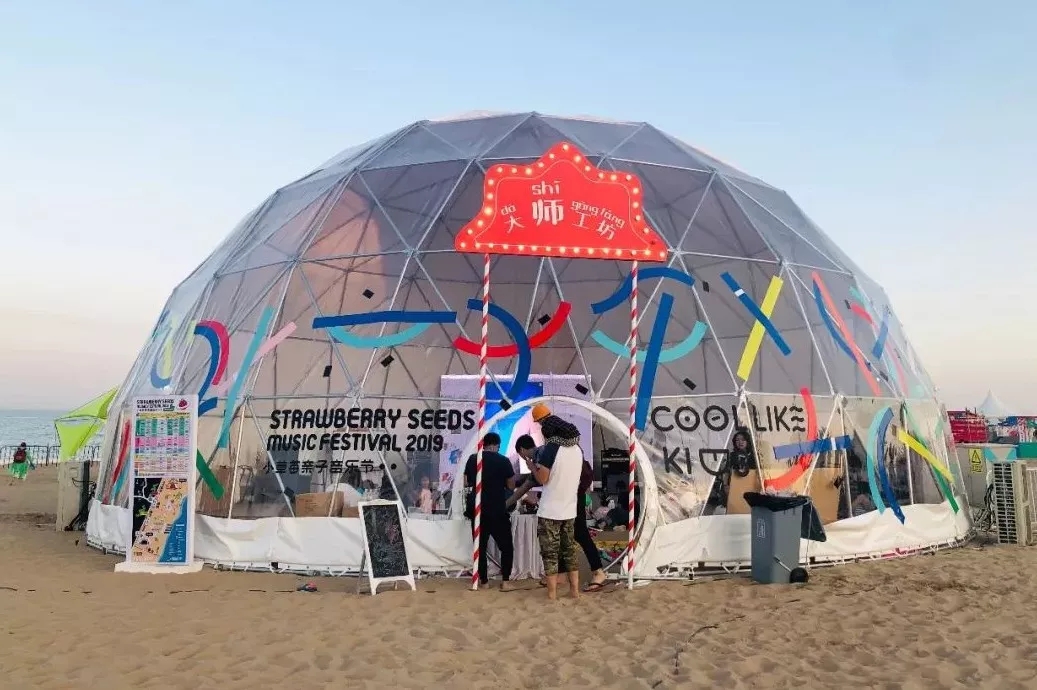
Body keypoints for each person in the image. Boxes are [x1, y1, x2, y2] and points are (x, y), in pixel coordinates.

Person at [511, 432, 607, 591]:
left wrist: (531, 469)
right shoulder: (555, 450)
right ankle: (562, 575)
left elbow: (541, 479)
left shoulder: (545, 452)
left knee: (579, 533)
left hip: (570, 497)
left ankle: (598, 571)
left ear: (521, 450)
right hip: (569, 497)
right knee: (564, 533)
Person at [529, 404, 583, 600]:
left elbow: (543, 479)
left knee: (550, 553)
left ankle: (551, 594)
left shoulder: (551, 449)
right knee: (570, 551)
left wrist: (532, 467)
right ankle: (574, 591)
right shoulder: (577, 449)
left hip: (550, 511)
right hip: (569, 509)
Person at [463, 432, 517, 591]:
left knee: (480, 547)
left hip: (478, 509)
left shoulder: (473, 459)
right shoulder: (503, 461)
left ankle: (484, 581)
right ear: (496, 445)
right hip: (497, 509)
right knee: (506, 547)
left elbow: (466, 482)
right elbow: (511, 485)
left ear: (484, 444)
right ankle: (505, 581)